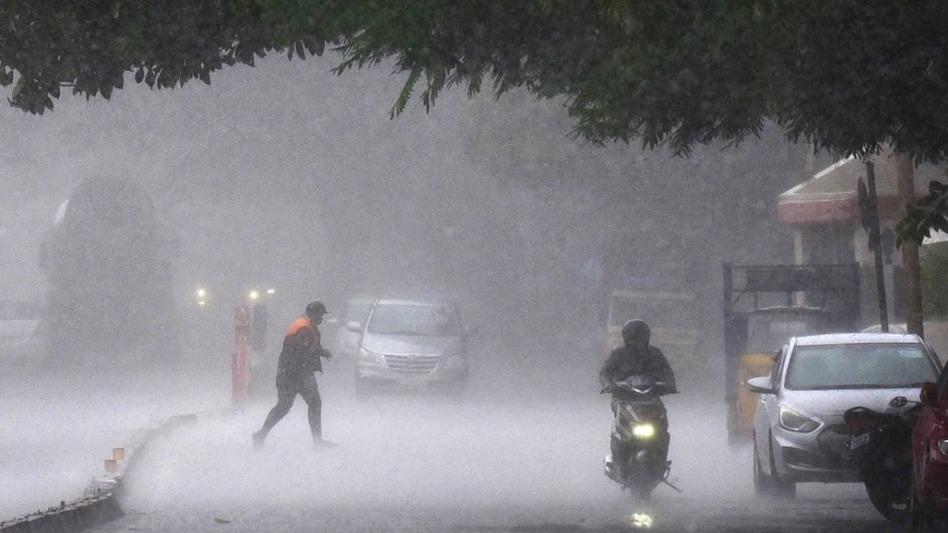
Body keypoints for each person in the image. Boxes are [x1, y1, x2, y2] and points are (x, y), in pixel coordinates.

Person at [599, 319, 677, 478]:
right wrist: (609, 385)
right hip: (624, 399)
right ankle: (619, 461)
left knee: (662, 427)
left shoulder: (655, 354)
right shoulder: (618, 354)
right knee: (620, 428)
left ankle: (660, 462)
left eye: (638, 337)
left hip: (651, 399)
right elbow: (605, 372)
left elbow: (667, 372)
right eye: (632, 337)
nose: (635, 341)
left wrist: (669, 386)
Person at [253, 300, 334, 448]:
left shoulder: (308, 327)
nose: (321, 318)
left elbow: (308, 347)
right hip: (293, 374)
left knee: (301, 404)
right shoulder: (303, 328)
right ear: (314, 315)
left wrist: (320, 352)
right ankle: (262, 434)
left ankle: (262, 434)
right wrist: (297, 372)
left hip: (296, 373)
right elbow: (298, 351)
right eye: (320, 315)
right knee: (289, 405)